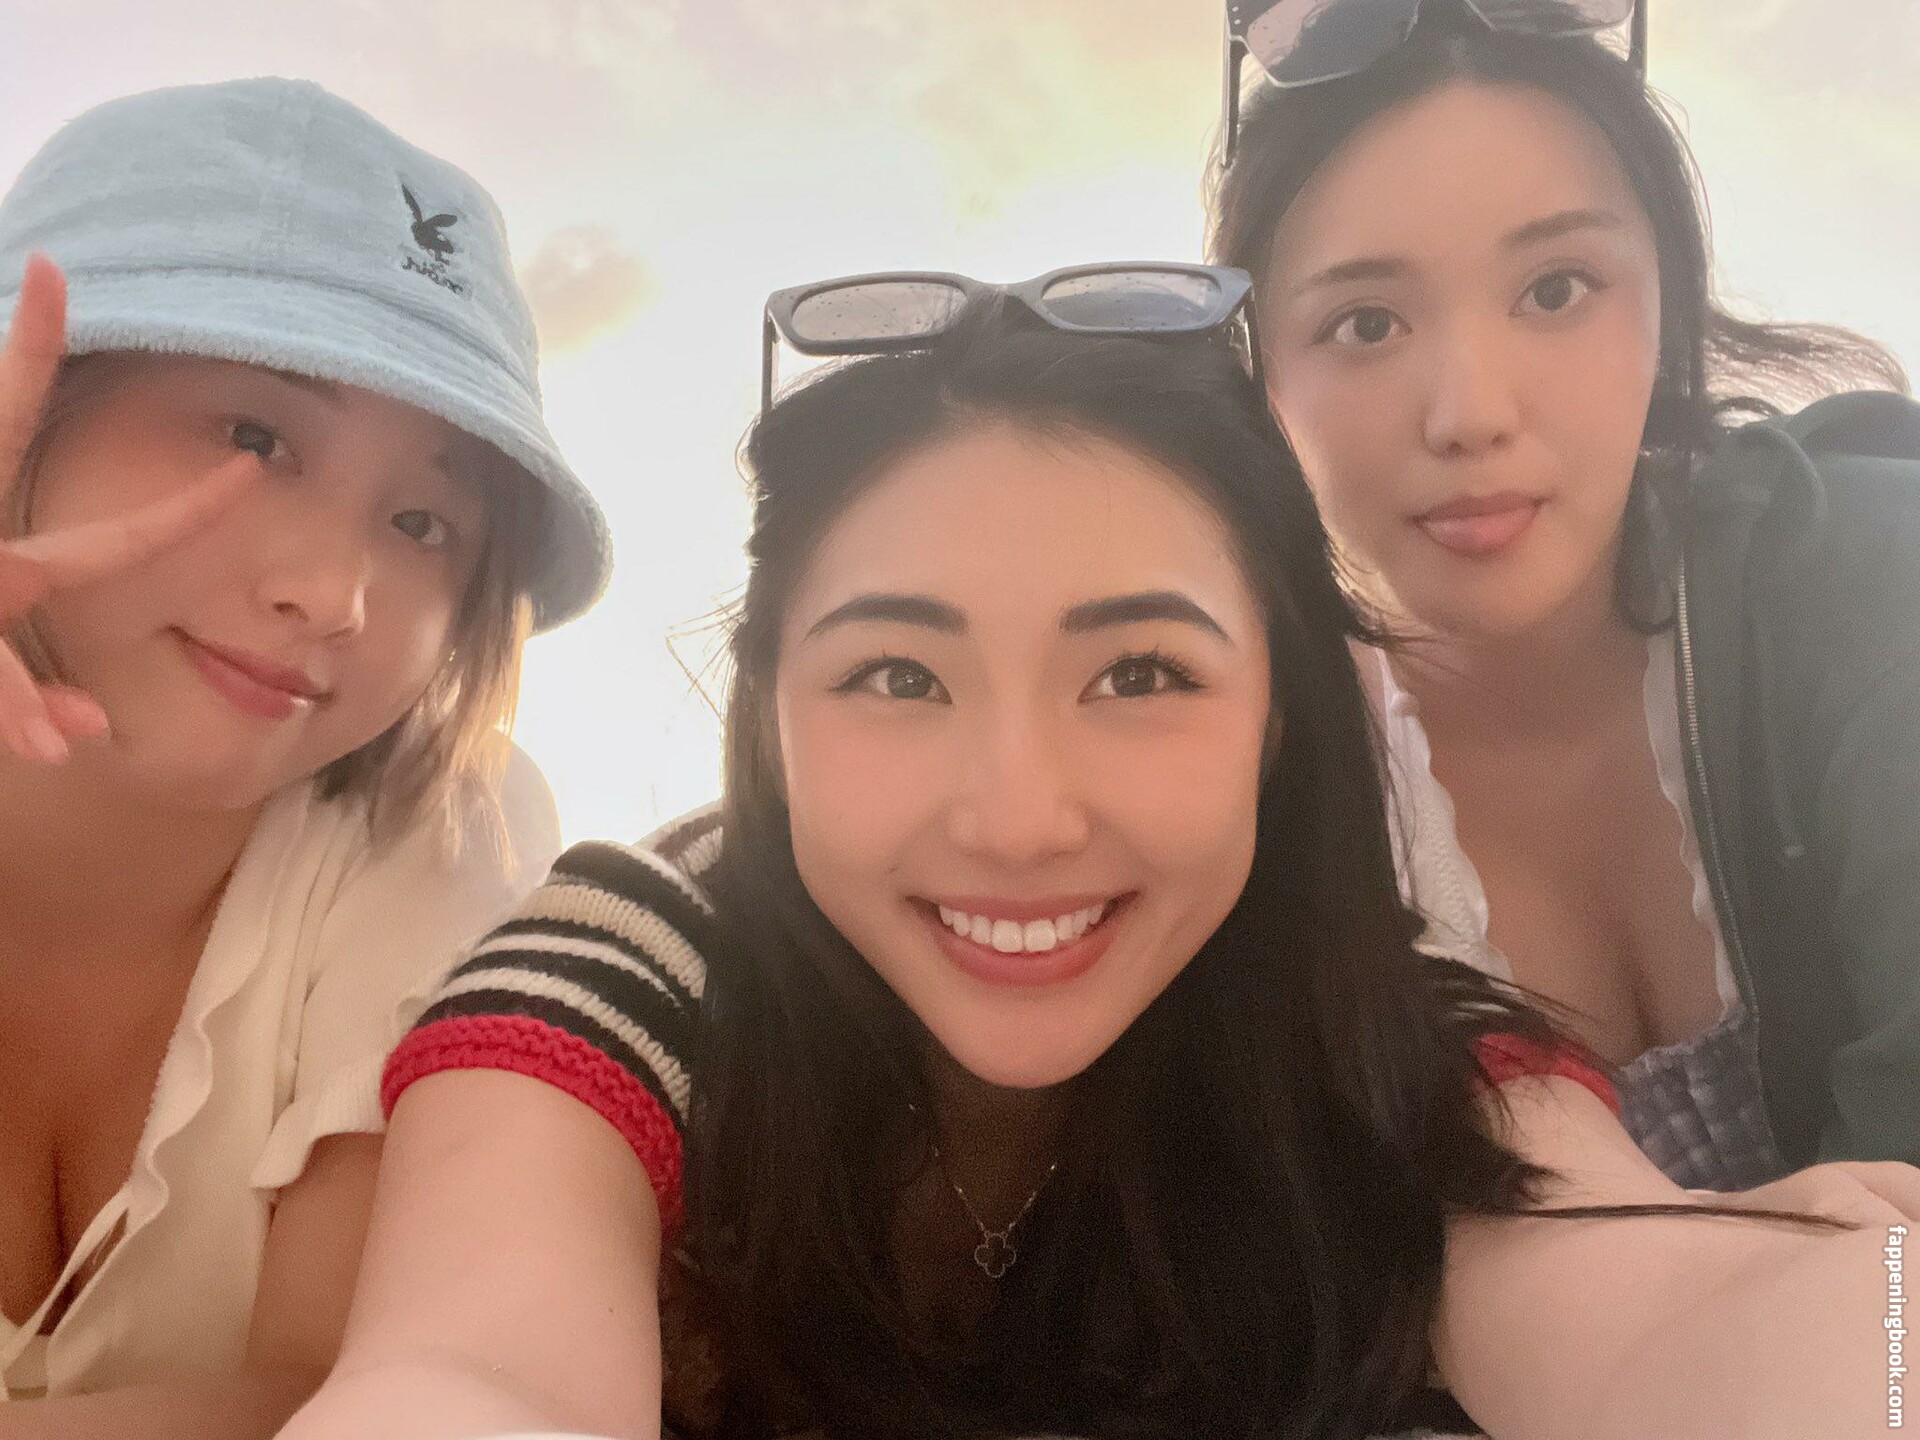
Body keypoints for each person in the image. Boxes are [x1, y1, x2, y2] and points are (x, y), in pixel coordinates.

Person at [289, 282, 1916, 1440]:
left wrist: (1866, 1320)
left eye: (1140, 674)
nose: (1019, 817)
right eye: (897, 677)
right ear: (768, 713)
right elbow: (470, 1372)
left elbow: (1650, 1316)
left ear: (1281, 714)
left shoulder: (1382, 1036)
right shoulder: (635, 970)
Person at [1209, 0, 1920, 1189]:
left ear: (1666, 301)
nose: (1472, 412)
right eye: (1366, 322)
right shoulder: (1255, 789)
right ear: (1261, 374)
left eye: (1556, 290)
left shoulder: (1866, 576)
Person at [0, 77, 608, 1432]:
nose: (334, 595)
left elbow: (338, 1393)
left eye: (422, 523)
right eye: (256, 436)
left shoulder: (426, 833)